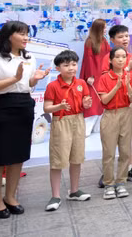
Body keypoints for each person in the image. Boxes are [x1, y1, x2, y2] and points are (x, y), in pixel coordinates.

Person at [0, 21, 50, 218]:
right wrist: (14, 78)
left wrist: (34, 79)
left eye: (27, 33)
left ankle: (10, 197)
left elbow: (27, 85)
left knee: (17, 156)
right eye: (22, 33)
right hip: (3, 108)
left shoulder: (30, 57)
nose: (26, 37)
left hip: (24, 107)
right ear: (9, 36)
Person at [44, 50, 92, 211]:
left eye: (73, 64)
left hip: (78, 120)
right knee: (58, 159)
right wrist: (60, 106)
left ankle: (74, 191)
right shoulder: (53, 86)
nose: (71, 68)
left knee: (76, 157)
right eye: (66, 65)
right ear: (58, 68)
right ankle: (55, 195)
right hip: (61, 121)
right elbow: (47, 107)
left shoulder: (81, 83)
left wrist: (86, 104)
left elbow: (85, 103)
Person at [100, 24, 132, 184]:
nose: (124, 39)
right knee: (110, 142)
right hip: (113, 102)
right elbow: (107, 78)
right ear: (112, 40)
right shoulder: (107, 58)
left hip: (129, 99)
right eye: (120, 37)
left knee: (127, 138)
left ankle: (128, 168)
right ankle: (107, 175)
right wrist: (127, 68)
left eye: (126, 36)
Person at [97, 47, 132, 199]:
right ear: (110, 60)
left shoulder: (130, 76)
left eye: (123, 56)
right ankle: (108, 184)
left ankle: (121, 183)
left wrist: (128, 86)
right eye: (117, 57)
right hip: (110, 115)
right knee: (109, 152)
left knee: (125, 151)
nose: (121, 60)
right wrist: (117, 86)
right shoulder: (105, 77)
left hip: (126, 113)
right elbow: (104, 100)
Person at [80, 18, 110, 119]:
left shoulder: (104, 40)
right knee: (93, 98)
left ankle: (97, 125)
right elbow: (88, 61)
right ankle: (88, 125)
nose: (106, 29)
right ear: (98, 28)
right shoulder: (90, 42)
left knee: (101, 98)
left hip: (102, 72)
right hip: (93, 74)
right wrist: (90, 76)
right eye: (104, 28)